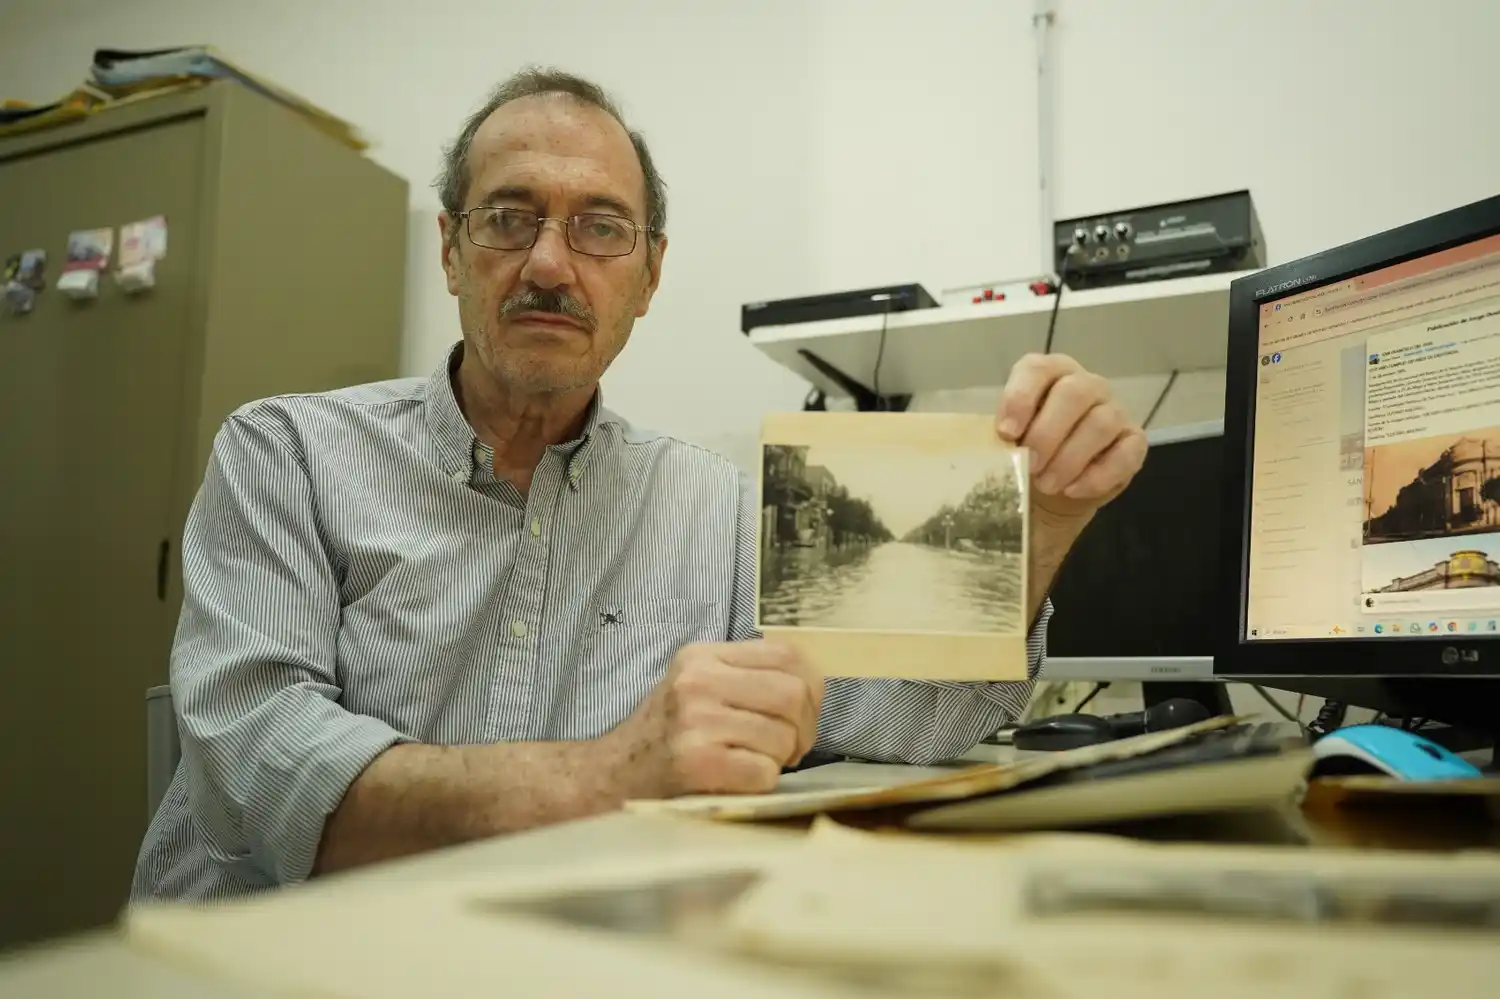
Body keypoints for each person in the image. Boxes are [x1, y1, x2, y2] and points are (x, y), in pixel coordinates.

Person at [130, 67, 1146, 901]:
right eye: (508, 218)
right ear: (450, 250)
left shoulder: (722, 505)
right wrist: (612, 775)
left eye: (600, 228)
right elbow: (259, 775)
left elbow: (902, 723)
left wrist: (1045, 519)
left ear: (650, 277)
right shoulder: (285, 453)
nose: (550, 264)